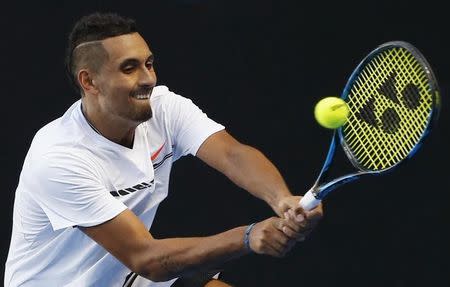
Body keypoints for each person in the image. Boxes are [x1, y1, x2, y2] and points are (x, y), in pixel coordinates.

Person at [4, 12, 323, 287]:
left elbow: (232, 154)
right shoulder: (59, 159)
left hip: (123, 275)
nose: (148, 79)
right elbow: (146, 258)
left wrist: (281, 199)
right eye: (129, 68)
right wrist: (248, 237)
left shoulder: (164, 109)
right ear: (90, 81)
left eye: (149, 63)